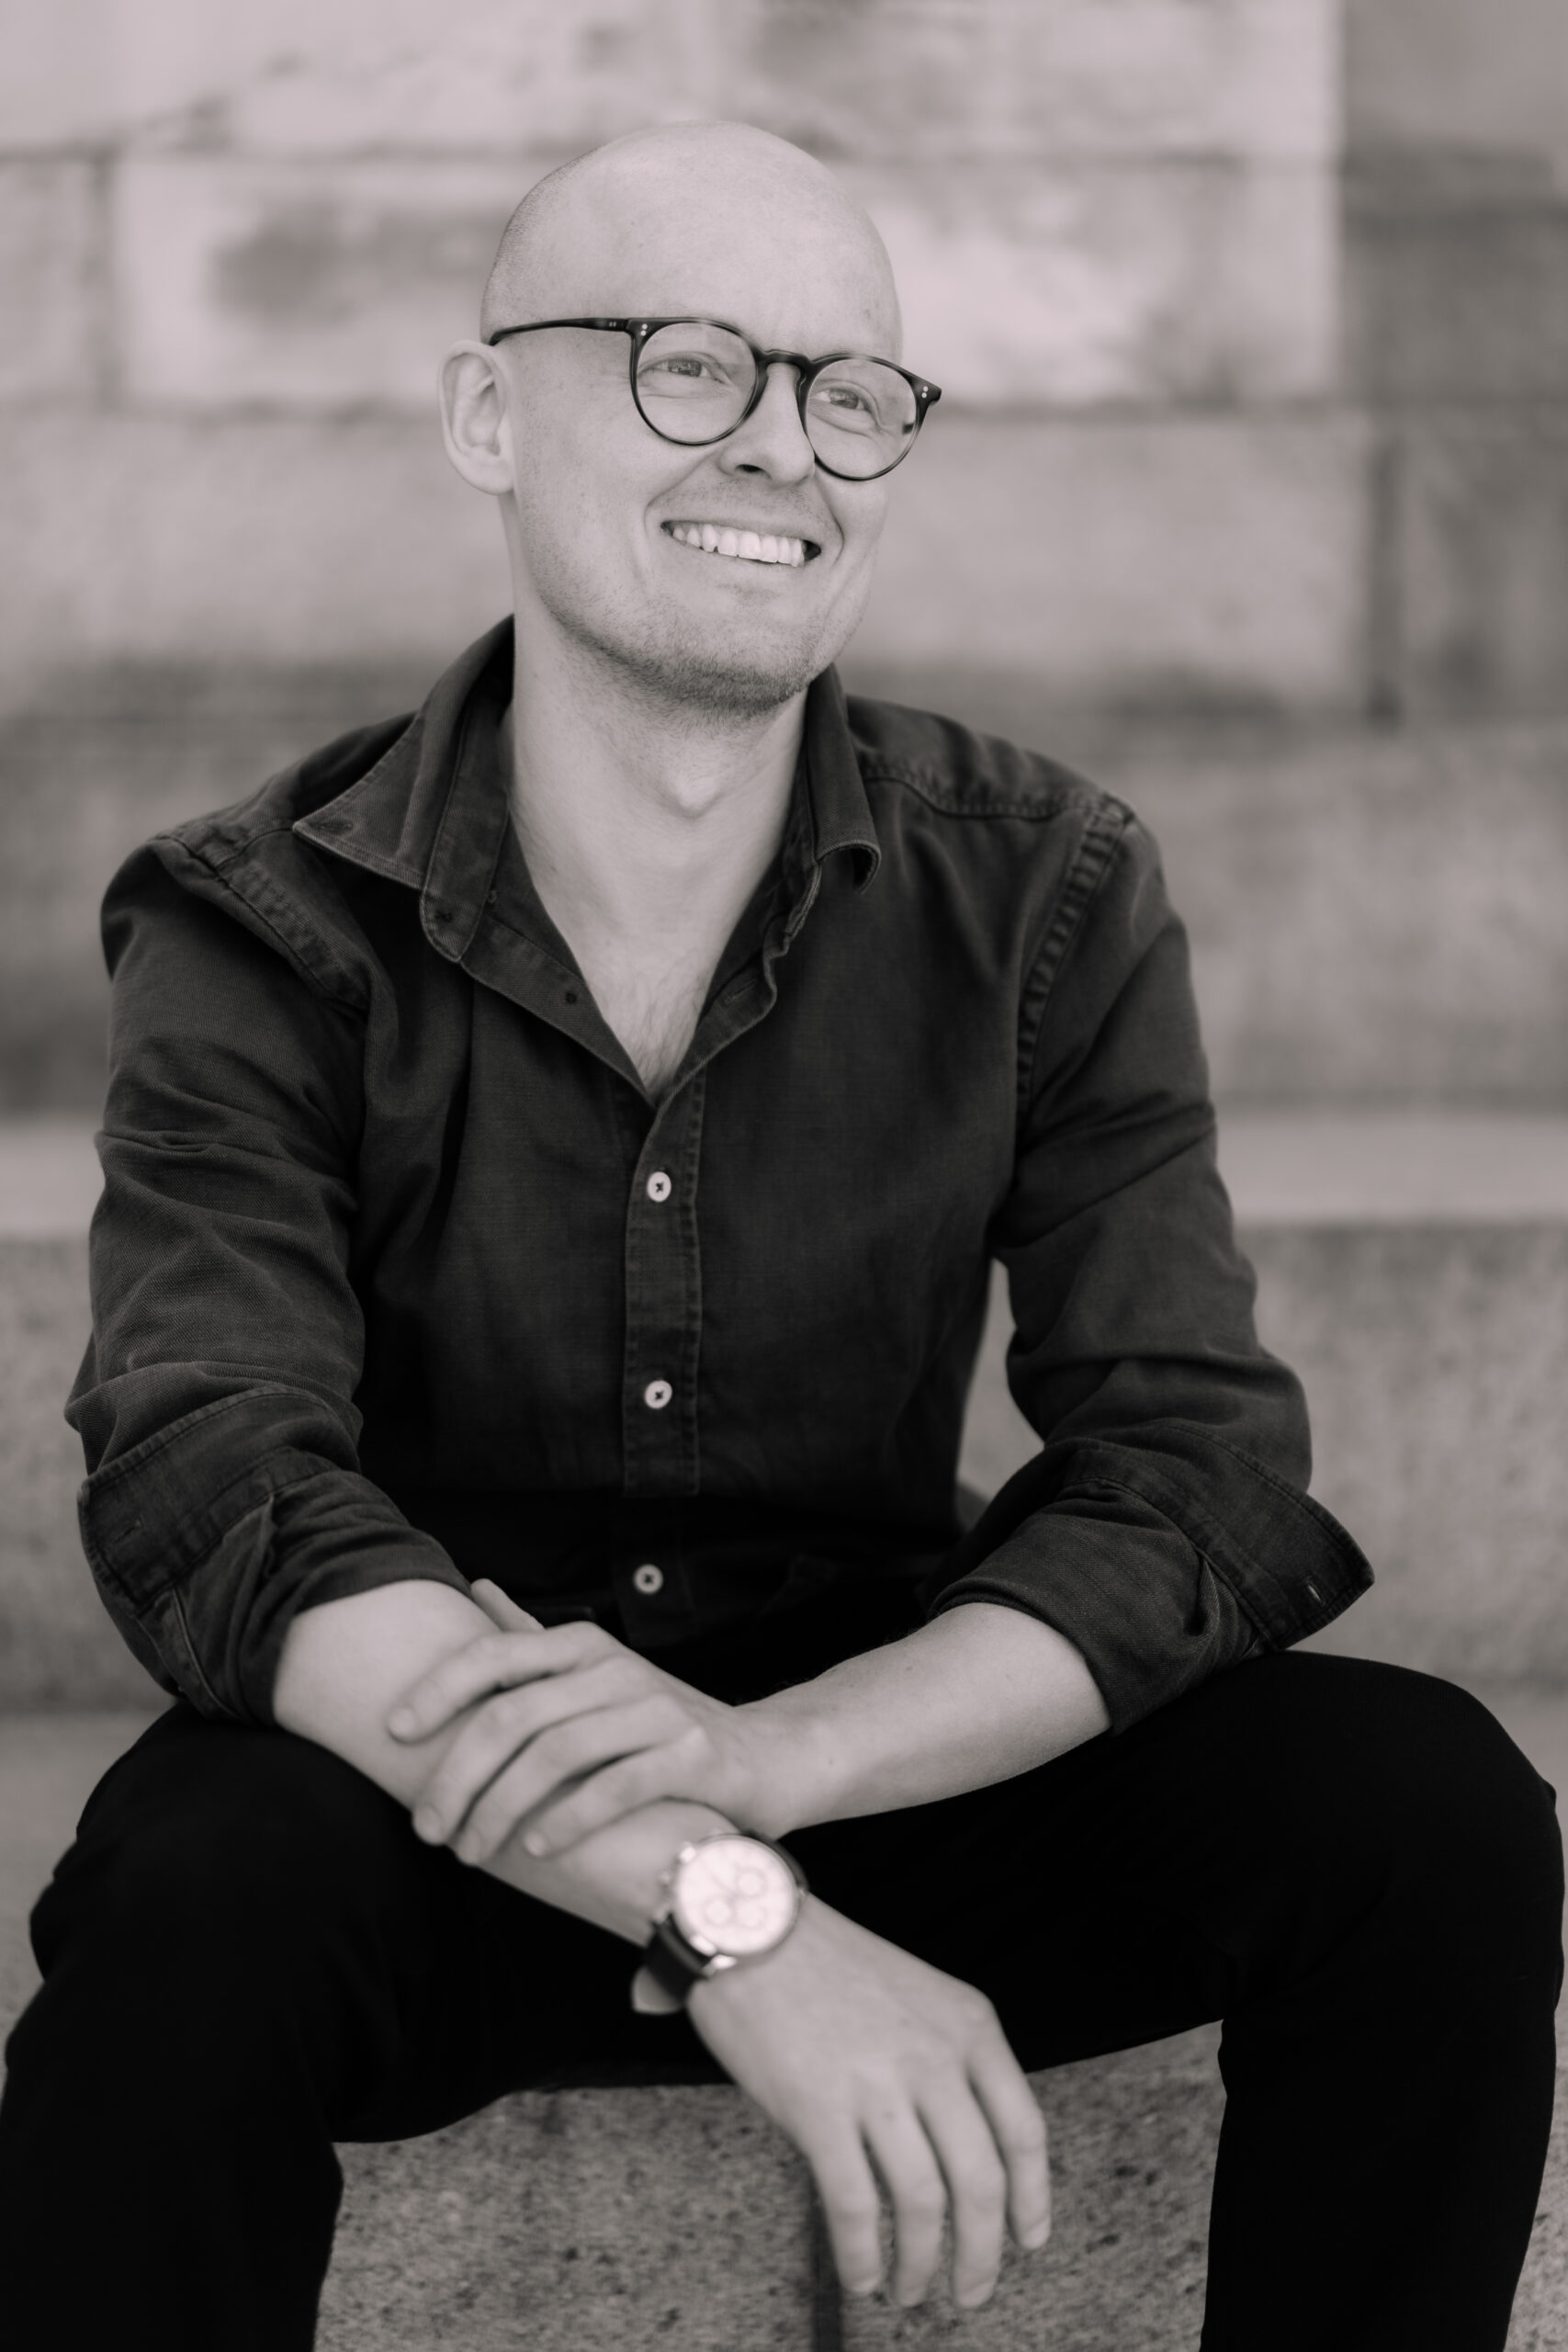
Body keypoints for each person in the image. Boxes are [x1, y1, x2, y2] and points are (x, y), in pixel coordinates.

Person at [0, 121, 1559, 2352]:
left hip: (877, 1739)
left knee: (1428, 1817)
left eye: (847, 392)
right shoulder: (258, 921)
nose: (785, 448)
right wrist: (731, 1903)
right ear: (484, 416)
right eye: (690, 364)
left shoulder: (1038, 886)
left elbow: (1191, 1476)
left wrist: (772, 1769)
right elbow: (210, 1488)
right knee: (181, 1905)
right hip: (443, 1789)